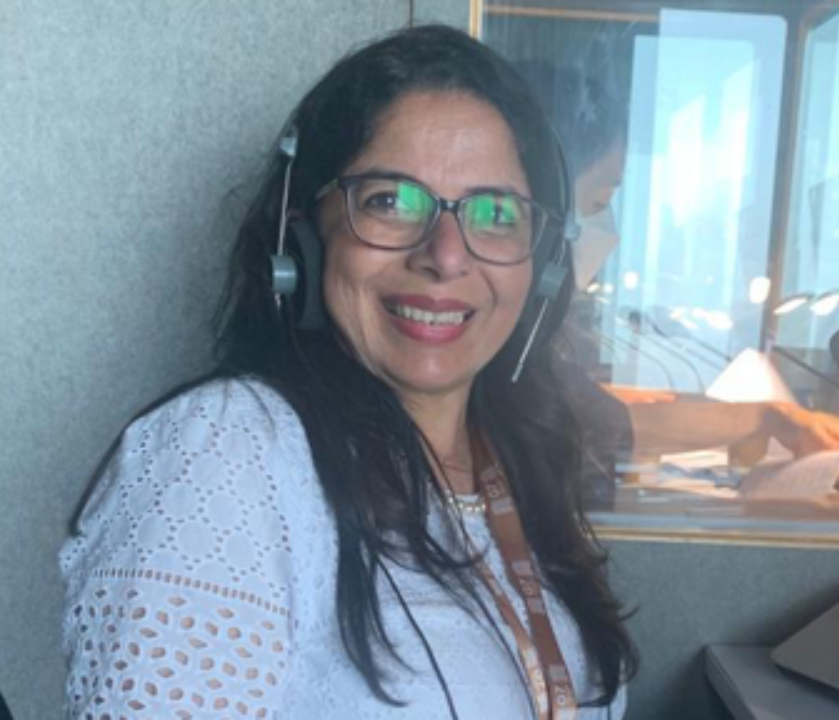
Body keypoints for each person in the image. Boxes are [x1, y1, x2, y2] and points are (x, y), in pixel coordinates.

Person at [61, 26, 635, 719]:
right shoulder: (229, 454)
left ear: (540, 267)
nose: (447, 256)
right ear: (302, 233)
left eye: (494, 212)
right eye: (390, 200)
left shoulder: (513, 455)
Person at [513, 61, 839, 509]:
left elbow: (576, 402)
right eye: (599, 201)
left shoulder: (527, 324)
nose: (607, 227)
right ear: (544, 194)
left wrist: (614, 396)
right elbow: (599, 423)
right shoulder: (505, 329)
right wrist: (768, 416)